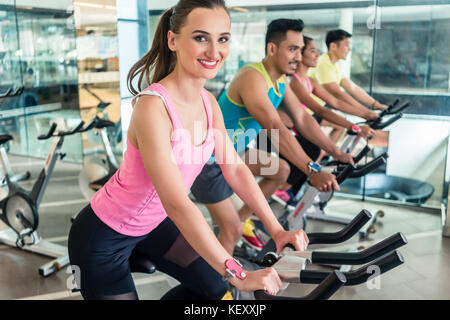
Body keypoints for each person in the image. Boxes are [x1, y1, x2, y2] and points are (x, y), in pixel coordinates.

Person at [68, 0, 308, 300]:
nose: (214, 51)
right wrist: (239, 273)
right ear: (173, 40)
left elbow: (233, 168)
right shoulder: (153, 108)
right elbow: (177, 204)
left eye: (222, 39)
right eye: (200, 38)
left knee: (215, 289)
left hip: (153, 226)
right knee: (228, 277)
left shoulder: (209, 104)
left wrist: (277, 230)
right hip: (102, 237)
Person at [190, 18, 353, 256]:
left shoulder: (280, 83)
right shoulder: (252, 77)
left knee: (280, 171)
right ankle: (217, 286)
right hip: (209, 160)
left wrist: (337, 152)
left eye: (300, 49)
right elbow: (274, 126)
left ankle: (241, 221)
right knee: (230, 230)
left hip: (235, 153)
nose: (298, 56)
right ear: (272, 49)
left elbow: (303, 119)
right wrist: (312, 170)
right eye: (293, 49)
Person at [270, 36, 378, 201]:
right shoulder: (293, 83)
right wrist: (356, 126)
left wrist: (366, 113)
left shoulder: (310, 81)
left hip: (297, 125)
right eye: (312, 51)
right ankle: (284, 190)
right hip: (279, 133)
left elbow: (334, 102)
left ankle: (292, 188)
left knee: (316, 147)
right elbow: (321, 110)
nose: (317, 55)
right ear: (300, 54)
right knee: (312, 150)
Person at [308, 29, 389, 112]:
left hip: (316, 110)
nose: (349, 49)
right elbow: (337, 94)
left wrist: (376, 104)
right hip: (309, 112)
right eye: (347, 45)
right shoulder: (323, 64)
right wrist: (366, 112)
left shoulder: (334, 65)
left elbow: (353, 88)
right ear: (333, 46)